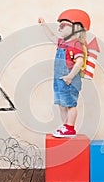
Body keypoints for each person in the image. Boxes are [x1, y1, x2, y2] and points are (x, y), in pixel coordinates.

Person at [38, 9, 91, 137]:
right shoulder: (62, 42)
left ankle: (70, 128)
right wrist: (44, 25)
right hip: (60, 79)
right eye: (59, 25)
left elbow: (79, 62)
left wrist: (70, 76)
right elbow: (51, 36)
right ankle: (65, 126)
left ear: (75, 28)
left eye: (63, 25)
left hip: (69, 79)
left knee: (70, 104)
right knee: (62, 104)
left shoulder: (76, 44)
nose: (59, 28)